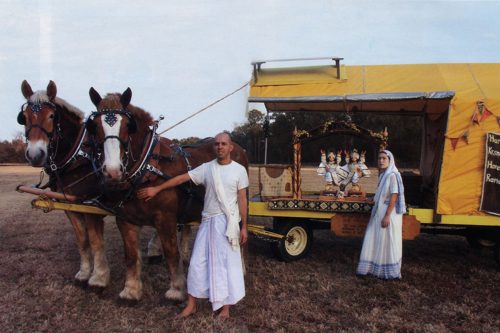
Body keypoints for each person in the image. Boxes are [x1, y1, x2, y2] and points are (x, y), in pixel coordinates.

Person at [137, 132, 248, 319]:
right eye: (217, 144)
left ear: (230, 148)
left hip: (227, 224)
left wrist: (244, 226)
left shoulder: (239, 171)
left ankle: (225, 307)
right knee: (197, 263)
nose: (219, 147)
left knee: (226, 265)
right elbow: (180, 179)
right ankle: (191, 305)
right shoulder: (206, 168)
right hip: (207, 222)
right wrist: (157, 188)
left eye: (223, 144)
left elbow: (242, 199)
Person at [356, 150, 406, 279]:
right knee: (375, 238)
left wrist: (387, 216)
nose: (381, 161)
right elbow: (382, 194)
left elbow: (394, 196)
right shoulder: (384, 175)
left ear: (390, 160)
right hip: (380, 211)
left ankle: (389, 273)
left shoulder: (392, 175)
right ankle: (372, 268)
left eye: (384, 158)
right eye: (379, 158)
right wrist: (372, 199)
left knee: (387, 241)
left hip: (389, 213)